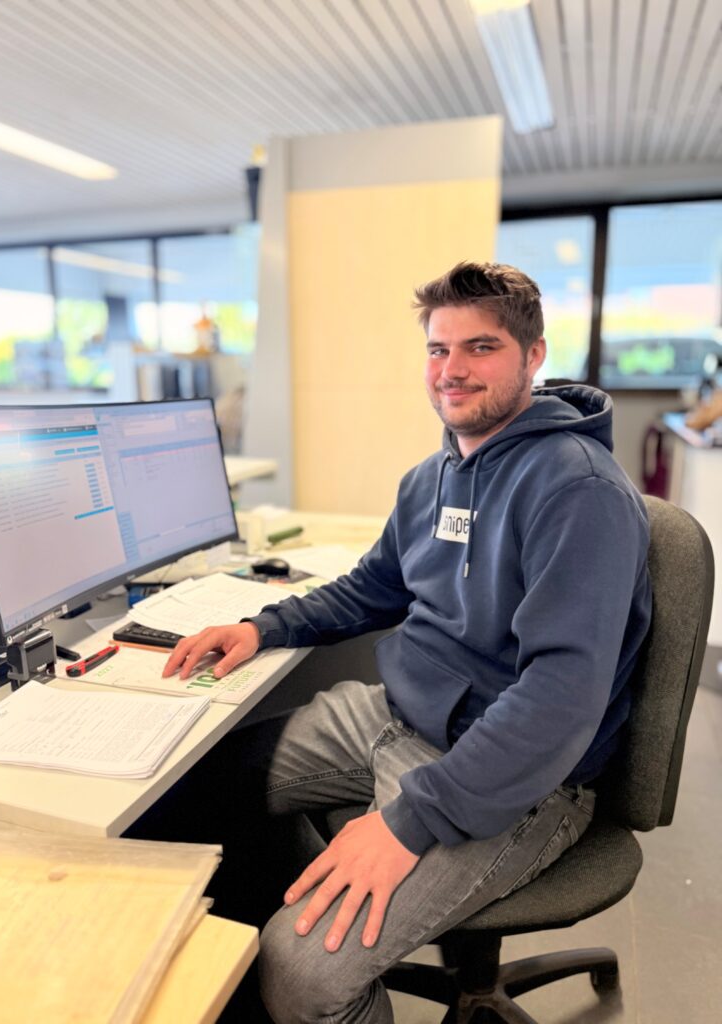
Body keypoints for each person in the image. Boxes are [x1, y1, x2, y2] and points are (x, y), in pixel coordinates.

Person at [162, 261, 652, 1024]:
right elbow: (372, 588)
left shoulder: (576, 489)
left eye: (480, 348)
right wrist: (263, 626)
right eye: (437, 349)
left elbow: (559, 699)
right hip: (392, 716)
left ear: (533, 356)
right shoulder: (432, 477)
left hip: (517, 773)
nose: (452, 371)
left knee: (301, 972)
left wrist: (405, 824)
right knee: (200, 784)